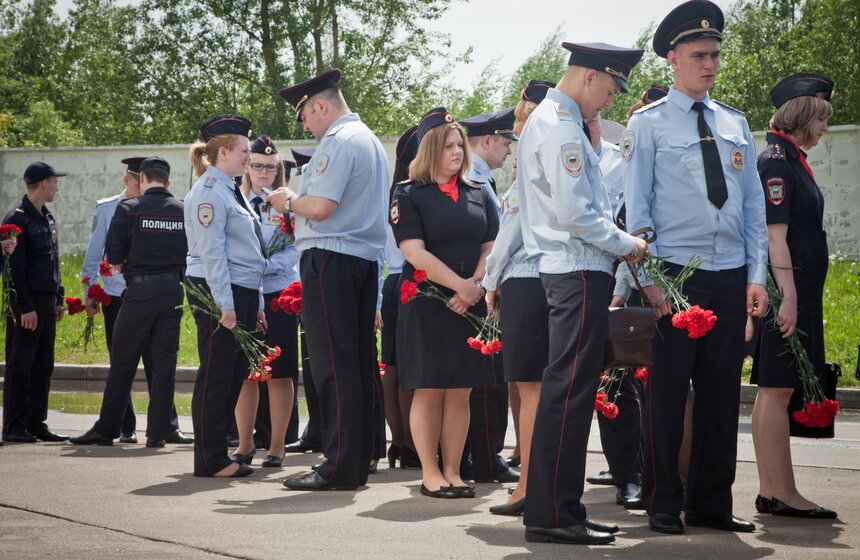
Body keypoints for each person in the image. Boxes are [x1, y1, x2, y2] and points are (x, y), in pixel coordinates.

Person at [623, 0, 769, 535]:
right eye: (699, 55)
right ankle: (663, 499)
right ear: (673, 58)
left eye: (715, 55)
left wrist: (756, 275)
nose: (710, 64)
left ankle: (711, 502)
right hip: (675, 276)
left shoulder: (734, 122)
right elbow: (636, 213)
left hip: (729, 273)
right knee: (667, 394)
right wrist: (650, 283)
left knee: (721, 393)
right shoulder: (647, 124)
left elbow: (753, 207)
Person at [517, 42, 647, 545]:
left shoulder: (557, 122)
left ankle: (561, 508)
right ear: (591, 76)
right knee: (568, 394)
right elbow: (576, 214)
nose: (610, 102)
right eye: (611, 90)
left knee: (568, 393)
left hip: (576, 270)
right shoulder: (562, 127)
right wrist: (626, 243)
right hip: (576, 270)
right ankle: (553, 513)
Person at [271, 69, 388, 490]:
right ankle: (354, 461)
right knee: (355, 364)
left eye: (305, 116)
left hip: (331, 259)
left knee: (332, 366)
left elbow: (320, 207)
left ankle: (338, 465)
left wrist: (289, 201)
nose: (305, 126)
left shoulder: (337, 141)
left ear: (320, 105)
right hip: (361, 261)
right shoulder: (369, 140)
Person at [389, 107, 498, 498]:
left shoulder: (478, 191)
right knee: (430, 389)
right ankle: (430, 473)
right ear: (431, 149)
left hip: (469, 301)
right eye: (449, 145)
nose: (457, 151)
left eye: (460, 145)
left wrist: (476, 284)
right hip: (428, 303)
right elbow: (414, 252)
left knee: (460, 390)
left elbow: (491, 244)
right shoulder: (408, 194)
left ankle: (453, 470)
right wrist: (460, 287)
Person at [751, 73, 837, 519]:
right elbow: (774, 236)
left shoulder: (791, 159)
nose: (824, 127)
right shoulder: (777, 163)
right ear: (802, 115)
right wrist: (789, 297)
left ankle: (774, 490)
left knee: (777, 387)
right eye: (821, 118)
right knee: (777, 387)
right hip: (790, 288)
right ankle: (781, 492)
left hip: (797, 287)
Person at [70, 157, 188, 447]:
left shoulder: (128, 208)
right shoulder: (183, 209)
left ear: (142, 179)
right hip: (173, 291)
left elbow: (114, 257)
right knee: (164, 365)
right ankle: (158, 433)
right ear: (168, 182)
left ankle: (107, 429)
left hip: (139, 292)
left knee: (123, 361)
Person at [481, 80, 553, 515]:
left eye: (521, 122)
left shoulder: (533, 165)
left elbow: (508, 236)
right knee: (540, 389)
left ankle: (528, 486)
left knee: (530, 390)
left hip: (526, 282)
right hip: (554, 280)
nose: (516, 133)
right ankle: (539, 483)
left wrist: (490, 282)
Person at [185, 114, 266, 478]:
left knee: (233, 374)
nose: (249, 157)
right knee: (217, 374)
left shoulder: (231, 189)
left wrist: (256, 302)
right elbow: (212, 253)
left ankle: (218, 453)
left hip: (240, 288)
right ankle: (209, 458)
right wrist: (225, 304)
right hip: (219, 290)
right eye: (244, 151)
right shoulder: (208, 192)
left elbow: (251, 250)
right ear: (223, 153)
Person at [459, 107, 520, 484]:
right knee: (486, 379)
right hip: (479, 288)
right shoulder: (475, 180)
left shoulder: (478, 178)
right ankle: (485, 456)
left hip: (477, 286)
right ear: (486, 141)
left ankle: (479, 454)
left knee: (485, 378)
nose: (509, 151)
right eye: (504, 143)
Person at [234, 134, 300, 468]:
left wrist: (268, 264)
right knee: (246, 371)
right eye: (258, 165)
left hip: (279, 294)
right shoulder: (236, 201)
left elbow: (296, 246)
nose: (265, 172)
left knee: (280, 371)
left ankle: (277, 446)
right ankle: (245, 444)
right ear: (247, 167)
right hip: (247, 291)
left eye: (271, 167)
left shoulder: (288, 204)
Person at [2, 162, 68, 444]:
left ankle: (35, 422)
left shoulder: (47, 218)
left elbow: (53, 262)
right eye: (55, 182)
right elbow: (13, 269)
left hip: (46, 302)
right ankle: (14, 425)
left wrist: (59, 298)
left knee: (43, 365)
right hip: (27, 305)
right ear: (44, 183)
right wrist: (24, 306)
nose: (57, 187)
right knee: (21, 365)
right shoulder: (17, 220)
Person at [380, 125, 420, 469]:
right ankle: (409, 444)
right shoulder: (410, 194)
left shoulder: (393, 193)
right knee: (406, 367)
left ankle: (400, 441)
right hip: (410, 281)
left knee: (394, 366)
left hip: (394, 282)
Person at [282, 145, 325, 456]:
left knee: (324, 366)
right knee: (310, 365)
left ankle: (326, 429)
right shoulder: (299, 203)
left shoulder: (315, 203)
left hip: (320, 285)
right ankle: (315, 428)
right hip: (302, 290)